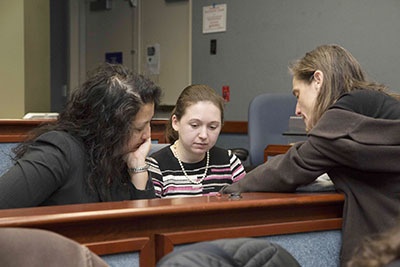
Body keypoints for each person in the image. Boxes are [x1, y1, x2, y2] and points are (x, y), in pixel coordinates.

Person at [221, 44, 400, 266]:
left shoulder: (342, 118)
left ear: (318, 80)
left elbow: (293, 166)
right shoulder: (380, 105)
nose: (296, 109)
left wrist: (231, 189)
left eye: (298, 94)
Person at [0, 63, 162, 209]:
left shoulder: (124, 157)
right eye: (139, 128)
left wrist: (138, 169)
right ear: (109, 128)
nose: (147, 135)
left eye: (150, 123)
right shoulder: (59, 152)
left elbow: (145, 229)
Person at [146, 84, 246, 198]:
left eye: (212, 127)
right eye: (194, 125)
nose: (203, 135)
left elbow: (248, 206)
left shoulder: (230, 162)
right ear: (175, 122)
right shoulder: (156, 167)